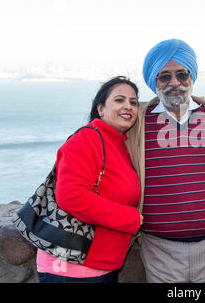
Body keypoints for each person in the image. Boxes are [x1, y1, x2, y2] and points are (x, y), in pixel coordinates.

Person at [125, 39, 205, 283]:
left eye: (182, 74)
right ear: (154, 82)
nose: (174, 83)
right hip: (160, 252)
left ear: (192, 77)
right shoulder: (136, 123)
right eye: (164, 77)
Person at [36, 76, 143, 283]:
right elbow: (71, 196)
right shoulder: (87, 139)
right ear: (100, 109)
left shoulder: (118, 144)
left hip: (99, 266)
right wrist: (131, 218)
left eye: (133, 102)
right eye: (119, 100)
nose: (128, 106)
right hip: (71, 269)